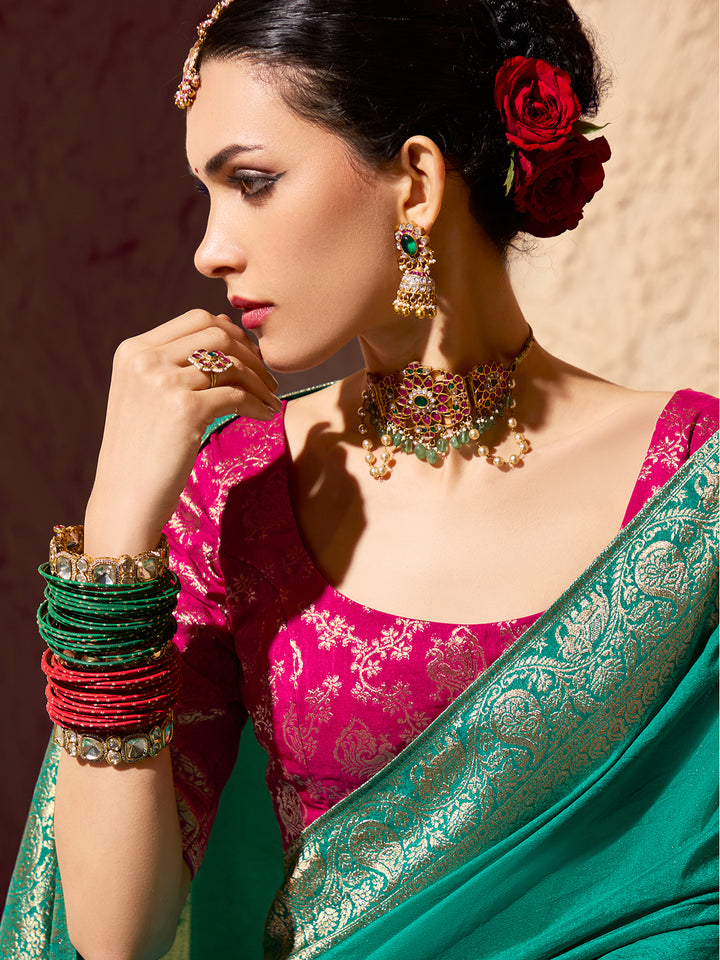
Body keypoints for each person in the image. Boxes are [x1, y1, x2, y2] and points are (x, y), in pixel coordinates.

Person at [2, 0, 717, 958]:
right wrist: (117, 537)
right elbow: (114, 936)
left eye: (252, 183)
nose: (211, 248)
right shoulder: (239, 494)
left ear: (415, 183)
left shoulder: (691, 492)